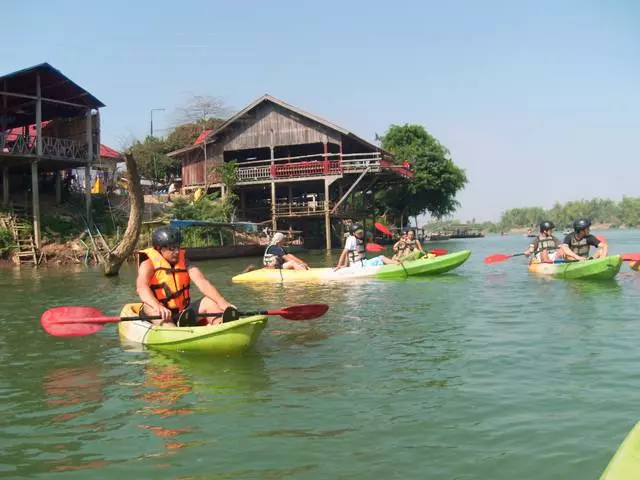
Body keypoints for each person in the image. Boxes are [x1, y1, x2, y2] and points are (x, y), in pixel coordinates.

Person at [136, 226, 235, 327]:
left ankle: (220, 325)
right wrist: (157, 306)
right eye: (172, 248)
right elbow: (141, 288)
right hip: (158, 311)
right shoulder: (148, 264)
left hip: (183, 313)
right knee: (151, 308)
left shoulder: (186, 263)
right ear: (159, 249)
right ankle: (172, 331)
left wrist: (222, 302)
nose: (177, 251)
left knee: (209, 301)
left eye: (178, 246)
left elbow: (202, 282)